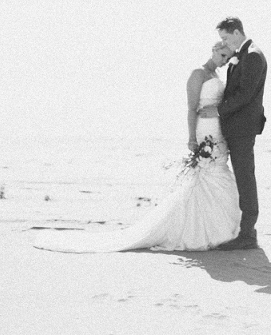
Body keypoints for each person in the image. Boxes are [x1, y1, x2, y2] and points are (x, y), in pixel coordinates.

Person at [34, 42, 240, 253]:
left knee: (217, 173)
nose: (224, 61)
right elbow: (190, 108)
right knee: (206, 174)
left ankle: (216, 228)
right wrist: (191, 138)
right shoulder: (198, 74)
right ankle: (198, 230)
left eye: (227, 58)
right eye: (222, 55)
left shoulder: (216, 77)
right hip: (204, 129)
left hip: (217, 129)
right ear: (214, 50)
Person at [199, 17, 267, 250]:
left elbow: (245, 96)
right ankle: (245, 231)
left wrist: (216, 111)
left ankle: (248, 234)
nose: (225, 42)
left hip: (243, 128)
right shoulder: (243, 55)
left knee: (245, 178)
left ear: (237, 32)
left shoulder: (254, 56)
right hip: (236, 127)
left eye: (226, 38)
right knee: (242, 177)